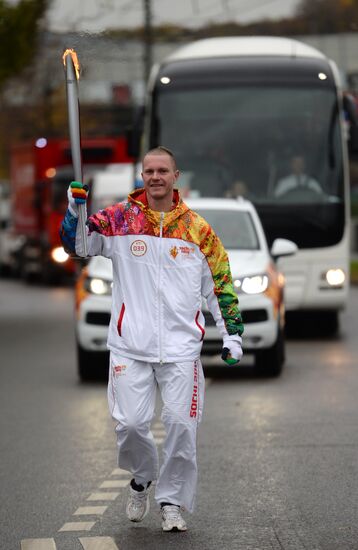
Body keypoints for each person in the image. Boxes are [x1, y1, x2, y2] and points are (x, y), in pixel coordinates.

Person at [60, 146, 244, 532]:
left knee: (180, 427)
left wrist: (232, 335)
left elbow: (220, 286)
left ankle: (172, 502)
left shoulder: (198, 230)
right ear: (142, 176)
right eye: (149, 171)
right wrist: (74, 210)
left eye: (163, 170)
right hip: (131, 345)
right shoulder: (118, 219)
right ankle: (142, 476)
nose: (155, 177)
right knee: (129, 423)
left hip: (181, 350)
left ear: (176, 176)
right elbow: (77, 246)